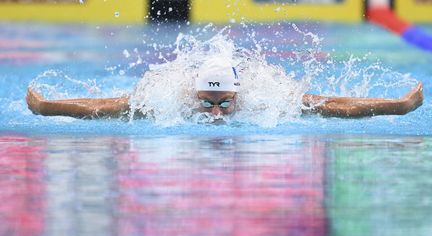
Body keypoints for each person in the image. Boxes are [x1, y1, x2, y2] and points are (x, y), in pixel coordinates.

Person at [26, 57, 423, 120]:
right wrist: (49, 108)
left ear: (240, 94)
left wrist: (398, 106)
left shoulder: (269, 98)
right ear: (192, 96)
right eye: (206, 104)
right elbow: (107, 106)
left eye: (224, 103)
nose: (215, 115)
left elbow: (335, 105)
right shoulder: (169, 99)